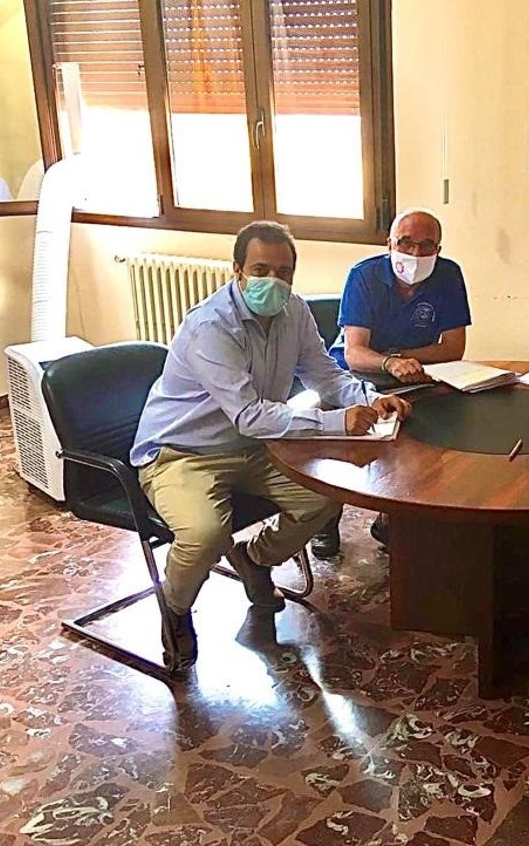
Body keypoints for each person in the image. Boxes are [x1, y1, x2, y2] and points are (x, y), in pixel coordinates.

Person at [131, 220, 412, 670]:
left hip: (255, 447)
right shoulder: (210, 327)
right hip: (183, 453)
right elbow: (249, 414)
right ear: (237, 271)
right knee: (205, 535)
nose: (273, 282)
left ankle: (254, 558)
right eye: (261, 270)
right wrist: (336, 421)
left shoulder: (294, 311)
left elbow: (326, 374)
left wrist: (371, 398)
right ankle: (175, 609)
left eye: (284, 272)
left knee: (325, 498)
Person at [316, 208, 471, 553]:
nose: (415, 253)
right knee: (342, 440)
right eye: (406, 243)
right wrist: (389, 362)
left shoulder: (448, 275)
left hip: (415, 374)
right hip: (357, 376)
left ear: (439, 249)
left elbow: (453, 348)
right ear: (389, 244)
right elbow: (355, 352)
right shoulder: (364, 276)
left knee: (429, 436)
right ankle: (324, 520)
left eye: (427, 245)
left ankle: (393, 517)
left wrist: (403, 359)